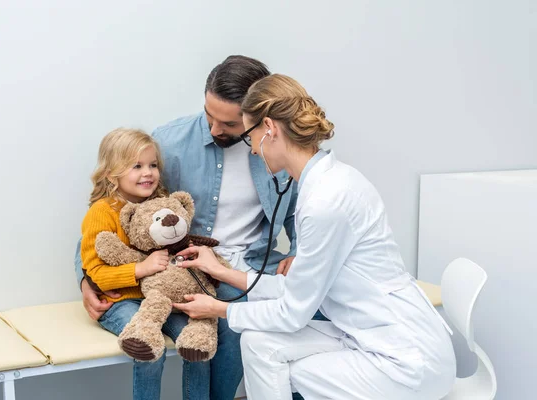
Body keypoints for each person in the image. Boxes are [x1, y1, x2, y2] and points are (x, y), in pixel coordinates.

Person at [173, 74, 457, 399]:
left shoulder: (326, 202)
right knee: (257, 341)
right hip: (365, 332)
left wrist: (218, 308)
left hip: (406, 360)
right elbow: (298, 289)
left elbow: (292, 312)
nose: (251, 149)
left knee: (280, 371)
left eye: (249, 136)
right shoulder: (329, 182)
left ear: (269, 129)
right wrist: (222, 272)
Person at [75, 56, 303, 399]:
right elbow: (115, 212)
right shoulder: (169, 142)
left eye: (228, 123)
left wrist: (299, 251)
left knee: (322, 311)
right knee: (231, 326)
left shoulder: (283, 149)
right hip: (190, 267)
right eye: (208, 115)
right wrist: (85, 276)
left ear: (259, 116)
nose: (213, 129)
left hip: (256, 264)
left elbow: (301, 213)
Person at [78, 128, 225, 400]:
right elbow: (95, 274)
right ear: (111, 174)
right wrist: (141, 269)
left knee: (198, 346)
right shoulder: (101, 212)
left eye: (153, 165)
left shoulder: (162, 207)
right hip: (121, 301)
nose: (148, 173)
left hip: (162, 298)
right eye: (136, 166)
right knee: (148, 348)